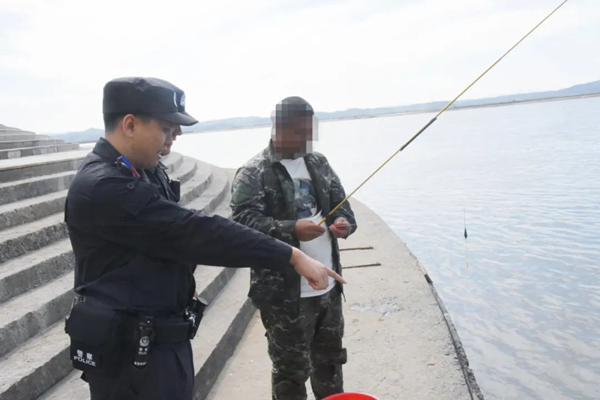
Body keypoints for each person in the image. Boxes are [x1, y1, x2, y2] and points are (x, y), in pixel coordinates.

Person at [64, 78, 344, 400]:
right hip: (128, 357)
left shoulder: (143, 170)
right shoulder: (104, 187)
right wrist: (292, 255)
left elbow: (166, 239)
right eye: (167, 130)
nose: (173, 139)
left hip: (160, 340)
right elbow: (194, 231)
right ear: (130, 124)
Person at [230, 96, 357, 400]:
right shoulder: (253, 172)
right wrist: (291, 229)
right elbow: (242, 225)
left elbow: (343, 206)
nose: (307, 140)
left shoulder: (319, 163)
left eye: (310, 132)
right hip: (284, 297)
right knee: (291, 373)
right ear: (278, 128)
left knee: (330, 364)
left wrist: (343, 223)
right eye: (300, 133)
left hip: (327, 289)